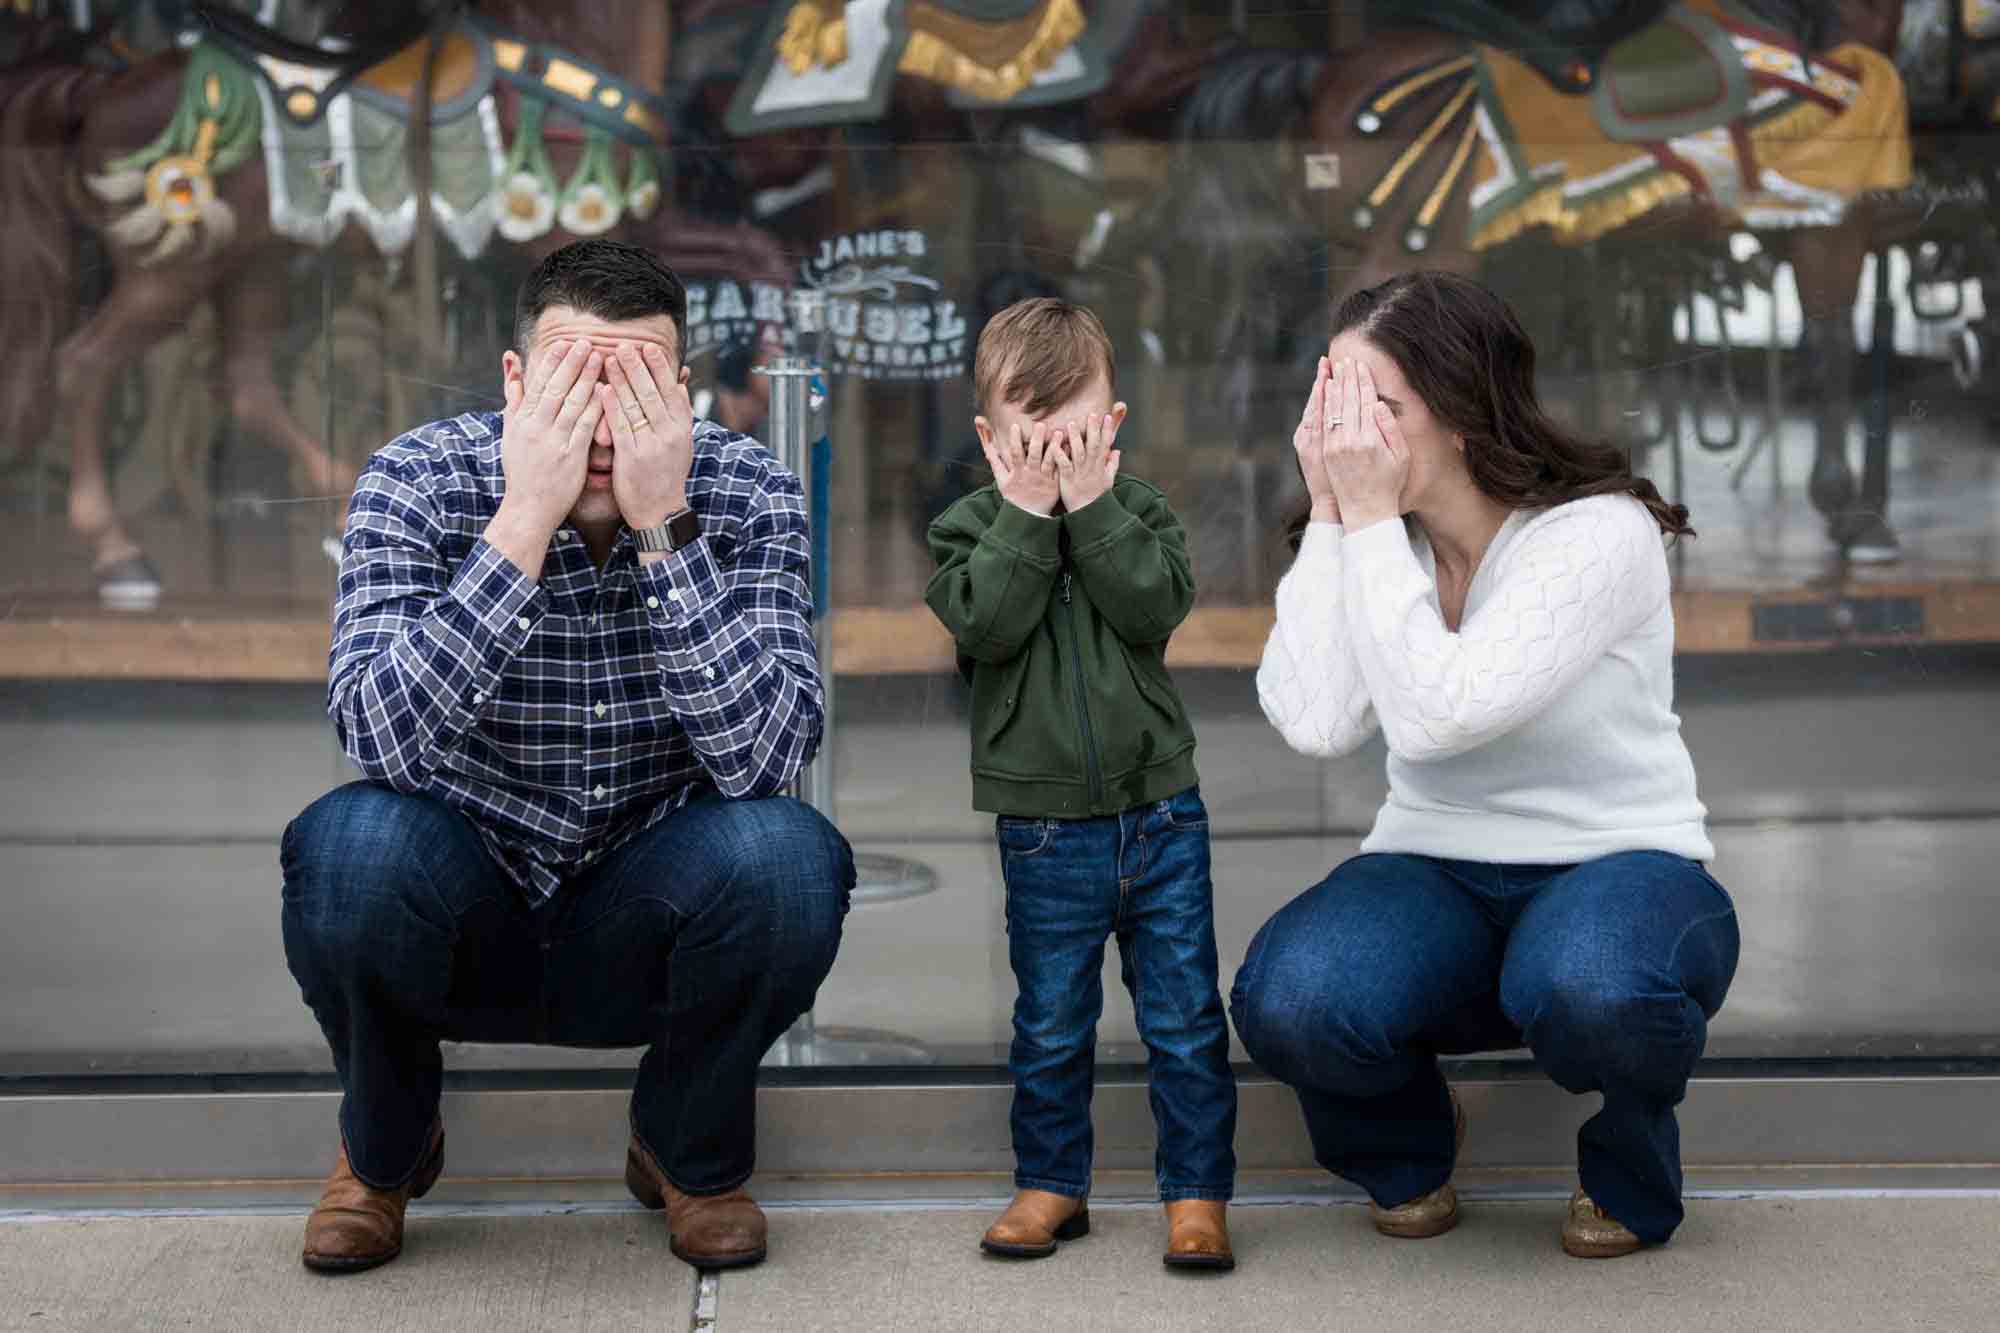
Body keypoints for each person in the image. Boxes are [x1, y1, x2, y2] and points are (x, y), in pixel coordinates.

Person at [281, 239, 853, 1275]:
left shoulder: (748, 491)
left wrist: (664, 530)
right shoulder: (416, 477)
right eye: (571, 379)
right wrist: (521, 522)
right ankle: (385, 1149)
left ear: (680, 393)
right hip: (464, 899)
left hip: (648, 911)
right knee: (348, 847)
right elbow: (375, 736)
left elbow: (767, 763)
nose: (601, 417)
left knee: (787, 859)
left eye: (633, 383)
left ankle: (683, 1146)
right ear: (514, 379)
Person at [1231, 271, 1738, 1258]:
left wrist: (1367, 519)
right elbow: (1317, 718)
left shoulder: (1595, 534)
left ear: (1459, 411)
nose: (1348, 434)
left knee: (1592, 983)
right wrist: (1332, 518)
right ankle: (1406, 1146)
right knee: (1290, 994)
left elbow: (1435, 716)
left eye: (1374, 406)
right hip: (1434, 866)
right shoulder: (1386, 543)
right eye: (1331, 402)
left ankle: (1628, 1166)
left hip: (1620, 862)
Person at [925, 298, 1239, 1270]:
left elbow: (1151, 604)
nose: (1055, 458)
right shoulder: (965, 530)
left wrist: (1091, 507)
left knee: (1183, 1017)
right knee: (1051, 1019)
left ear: (1112, 427)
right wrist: (1025, 513)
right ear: (989, 436)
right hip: (1043, 828)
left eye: (1076, 433)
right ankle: (1050, 1182)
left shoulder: (1139, 513)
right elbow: (986, 627)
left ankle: (1194, 1194)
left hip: (1159, 813)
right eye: (1032, 435)